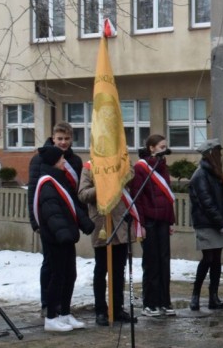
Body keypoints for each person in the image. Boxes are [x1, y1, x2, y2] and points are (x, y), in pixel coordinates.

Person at [32, 145, 94, 332]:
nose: (64, 162)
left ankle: (65, 314)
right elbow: (53, 213)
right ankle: (51, 317)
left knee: (69, 275)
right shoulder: (47, 183)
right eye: (61, 159)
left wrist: (85, 223)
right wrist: (64, 234)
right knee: (57, 277)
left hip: (65, 238)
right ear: (53, 162)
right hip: (56, 239)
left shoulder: (58, 179)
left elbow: (71, 205)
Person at [29, 122, 84, 314]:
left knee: (67, 267)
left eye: (67, 139)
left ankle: (63, 305)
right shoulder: (40, 159)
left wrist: (80, 217)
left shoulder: (75, 161)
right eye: (59, 139)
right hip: (48, 220)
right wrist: (34, 221)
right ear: (53, 138)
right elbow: (33, 191)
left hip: (68, 219)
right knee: (50, 264)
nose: (63, 142)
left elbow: (75, 193)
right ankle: (48, 304)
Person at [79, 160, 138, 326]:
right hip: (102, 224)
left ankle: (117, 308)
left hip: (120, 222)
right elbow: (83, 194)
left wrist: (116, 174)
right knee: (101, 269)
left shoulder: (121, 159)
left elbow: (131, 176)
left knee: (119, 269)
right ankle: (100, 310)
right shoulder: (89, 166)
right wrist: (103, 186)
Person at [188, 138, 223, 311]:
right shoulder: (200, 174)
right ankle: (195, 296)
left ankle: (213, 297)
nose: (220, 155)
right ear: (211, 154)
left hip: (218, 222)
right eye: (218, 152)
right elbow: (206, 202)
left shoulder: (215, 173)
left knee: (216, 260)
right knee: (208, 259)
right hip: (206, 223)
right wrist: (222, 223)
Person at [132, 134, 176, 318]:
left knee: (164, 261)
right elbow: (137, 197)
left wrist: (170, 220)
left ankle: (164, 301)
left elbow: (168, 195)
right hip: (149, 220)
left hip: (162, 221)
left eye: (165, 147)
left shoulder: (163, 166)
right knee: (151, 262)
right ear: (151, 148)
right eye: (161, 147)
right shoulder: (141, 167)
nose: (164, 150)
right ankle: (150, 303)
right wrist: (140, 224)